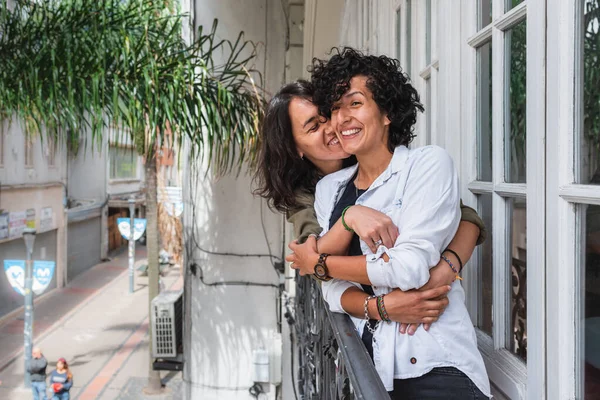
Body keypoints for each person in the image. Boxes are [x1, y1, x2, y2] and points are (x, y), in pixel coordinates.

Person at [284, 47, 491, 399]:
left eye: (355, 103)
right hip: (373, 368)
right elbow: (330, 290)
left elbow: (409, 267)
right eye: (334, 108)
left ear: (386, 113)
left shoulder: (426, 165)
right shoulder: (327, 191)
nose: (339, 120)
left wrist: (319, 263)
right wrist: (377, 306)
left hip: (433, 358)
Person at [255, 79, 486, 334]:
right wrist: (381, 307)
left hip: (427, 326)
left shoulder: (374, 155)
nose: (331, 127)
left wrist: (446, 269)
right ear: (294, 148)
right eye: (313, 128)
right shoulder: (304, 196)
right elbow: (318, 261)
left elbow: (465, 216)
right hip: (371, 323)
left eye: (326, 116)